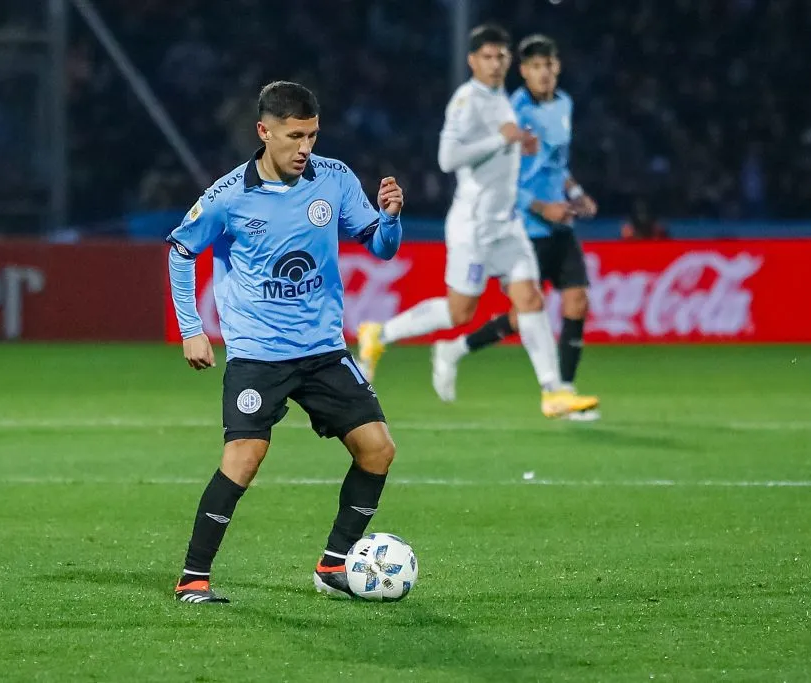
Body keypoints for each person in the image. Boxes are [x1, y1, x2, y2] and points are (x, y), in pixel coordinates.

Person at [166, 81, 405, 604]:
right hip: (258, 353)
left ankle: (334, 563)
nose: (305, 148)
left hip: (322, 350)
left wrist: (390, 219)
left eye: (312, 136)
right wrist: (191, 329)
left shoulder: (334, 178)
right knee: (245, 457)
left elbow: (381, 247)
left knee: (378, 449)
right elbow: (181, 252)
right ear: (264, 131)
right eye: (295, 136)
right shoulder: (228, 195)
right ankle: (193, 578)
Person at [356, 24, 597, 418]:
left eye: (501, 56)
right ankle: (380, 334)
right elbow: (447, 158)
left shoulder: (499, 98)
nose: (495, 64)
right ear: (472, 61)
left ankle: (553, 392)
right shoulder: (467, 101)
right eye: (487, 57)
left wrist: (519, 145)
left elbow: (506, 150)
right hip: (474, 226)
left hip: (507, 223)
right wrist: (503, 140)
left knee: (530, 299)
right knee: (460, 313)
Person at [433, 34, 601, 419]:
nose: (543, 73)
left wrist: (576, 192)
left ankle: (564, 390)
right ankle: (457, 348)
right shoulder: (513, 111)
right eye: (535, 67)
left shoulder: (565, 104)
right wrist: (542, 208)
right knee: (522, 313)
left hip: (560, 220)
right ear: (523, 71)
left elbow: (557, 163)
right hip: (526, 225)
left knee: (577, 300)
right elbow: (506, 179)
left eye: (549, 65)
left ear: (557, 67)